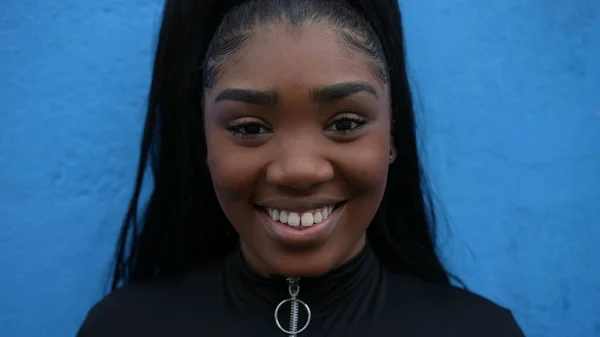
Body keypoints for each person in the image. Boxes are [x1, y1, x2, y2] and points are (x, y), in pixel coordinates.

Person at [77, 0, 526, 336]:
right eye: (250, 128)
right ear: (203, 143)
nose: (298, 170)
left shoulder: (480, 331)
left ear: (392, 137)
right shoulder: (124, 327)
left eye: (346, 123)